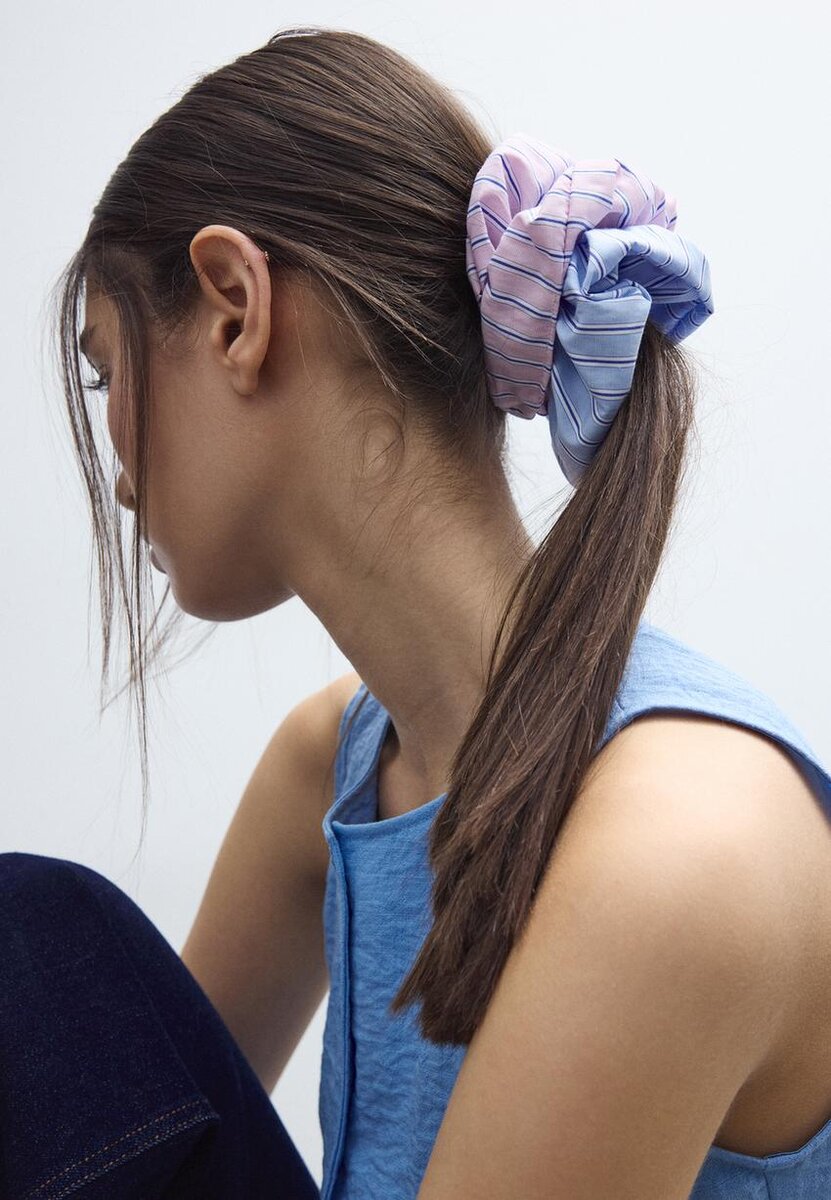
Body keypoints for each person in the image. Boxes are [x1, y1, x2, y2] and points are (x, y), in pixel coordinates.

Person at [13, 21, 831, 1200]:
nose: (116, 469)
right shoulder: (334, 767)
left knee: (37, 939)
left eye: (106, 367)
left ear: (235, 308)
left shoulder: (679, 845)